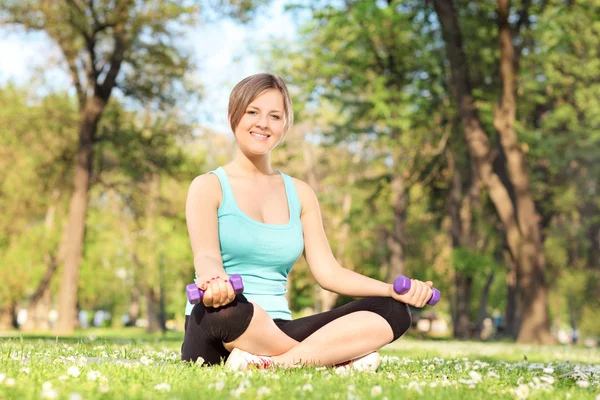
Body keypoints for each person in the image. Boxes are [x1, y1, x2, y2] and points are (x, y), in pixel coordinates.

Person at [181, 73, 435, 370]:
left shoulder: (300, 193)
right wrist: (215, 281)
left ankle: (273, 364)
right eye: (252, 112)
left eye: (274, 116)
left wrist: (389, 289)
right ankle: (331, 357)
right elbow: (206, 255)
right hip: (223, 321)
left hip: (277, 330)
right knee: (226, 311)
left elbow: (329, 273)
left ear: (285, 125)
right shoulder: (208, 186)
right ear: (232, 115)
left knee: (394, 311)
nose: (263, 123)